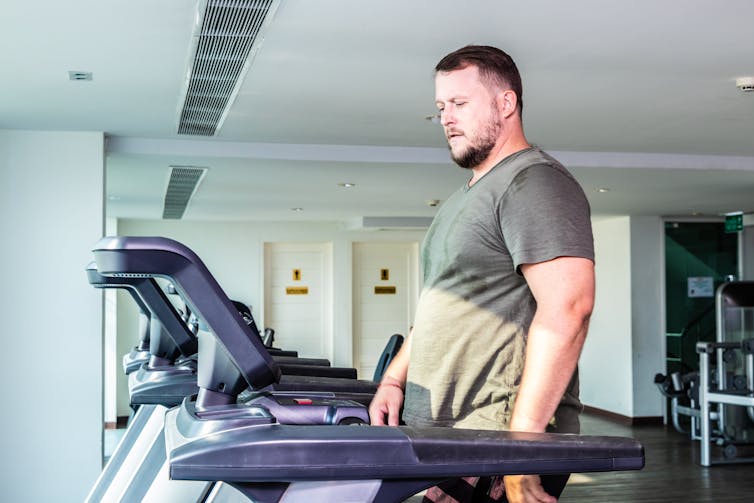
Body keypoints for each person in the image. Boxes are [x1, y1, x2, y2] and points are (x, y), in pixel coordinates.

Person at [368, 45, 595, 503]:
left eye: (459, 103)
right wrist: (393, 379)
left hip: (493, 438)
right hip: (449, 435)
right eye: (440, 107)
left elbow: (568, 308)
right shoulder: (465, 197)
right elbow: (439, 305)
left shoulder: (535, 183)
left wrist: (522, 448)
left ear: (505, 103)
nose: (446, 118)